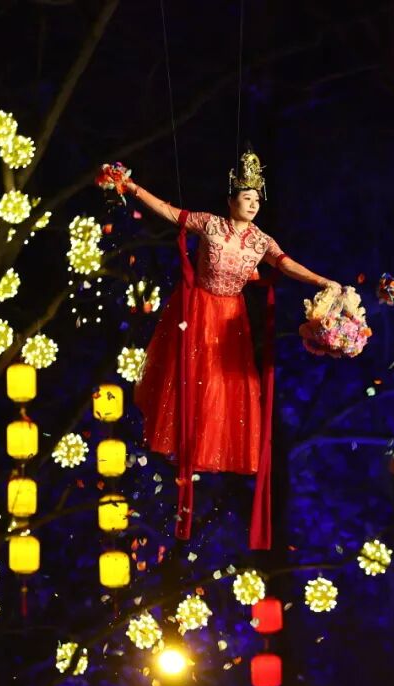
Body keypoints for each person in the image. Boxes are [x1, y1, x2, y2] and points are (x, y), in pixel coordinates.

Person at [119, 147, 338, 543]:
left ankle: (204, 462)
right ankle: (183, 456)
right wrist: (131, 187)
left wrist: (322, 281)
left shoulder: (261, 241)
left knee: (225, 386)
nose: (253, 205)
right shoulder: (211, 224)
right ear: (231, 200)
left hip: (230, 319)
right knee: (191, 381)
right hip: (198, 310)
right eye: (246, 198)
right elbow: (168, 211)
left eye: (257, 200)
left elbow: (286, 264)